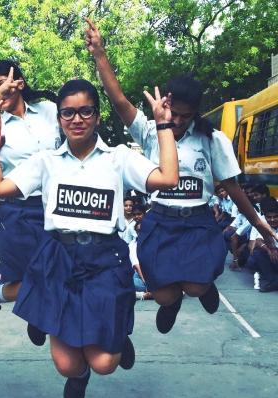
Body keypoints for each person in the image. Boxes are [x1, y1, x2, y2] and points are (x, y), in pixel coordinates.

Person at [0, 76, 178, 398]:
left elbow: (168, 178)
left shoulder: (119, 158)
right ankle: (79, 374)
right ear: (59, 118)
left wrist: (163, 126)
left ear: (98, 116)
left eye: (85, 111)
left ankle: (112, 336)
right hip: (59, 261)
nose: (77, 119)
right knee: (67, 364)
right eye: (68, 113)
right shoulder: (46, 162)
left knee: (104, 363)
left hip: (105, 261)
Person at [86, 18, 278, 335]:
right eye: (173, 113)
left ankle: (204, 288)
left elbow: (233, 186)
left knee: (196, 285)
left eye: (185, 116)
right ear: (166, 103)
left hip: (198, 222)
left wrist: (261, 226)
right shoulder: (150, 132)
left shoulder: (211, 140)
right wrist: (100, 54)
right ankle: (171, 304)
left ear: (195, 114)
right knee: (165, 293)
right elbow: (119, 101)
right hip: (161, 221)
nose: (176, 120)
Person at [0, 60, 60, 344]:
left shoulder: (50, 111)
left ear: (19, 83)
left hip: (58, 208)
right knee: (28, 279)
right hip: (17, 211)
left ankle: (33, 313)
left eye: (3, 84)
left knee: (61, 274)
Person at [245, 197, 278, 292]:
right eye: (269, 217)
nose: (272, 220)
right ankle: (273, 281)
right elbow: (258, 240)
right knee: (257, 253)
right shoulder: (264, 225)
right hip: (273, 253)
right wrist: (270, 250)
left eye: (275, 216)